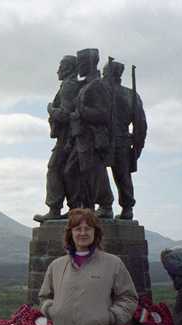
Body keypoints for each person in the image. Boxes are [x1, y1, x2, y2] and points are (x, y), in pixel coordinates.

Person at [34, 55, 82, 222]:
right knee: (68, 172)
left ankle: (55, 209)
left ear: (68, 68)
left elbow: (66, 114)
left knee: (54, 168)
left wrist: (50, 109)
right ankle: (75, 208)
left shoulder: (68, 86)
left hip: (67, 138)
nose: (57, 71)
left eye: (61, 67)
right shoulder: (72, 85)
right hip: (71, 138)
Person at [68, 48, 114, 217]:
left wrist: (82, 111)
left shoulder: (98, 85)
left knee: (95, 172)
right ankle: (82, 207)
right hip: (80, 137)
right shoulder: (85, 85)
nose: (78, 67)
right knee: (72, 171)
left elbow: (104, 114)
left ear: (89, 63)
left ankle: (105, 205)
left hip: (93, 137)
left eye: (81, 63)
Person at [100, 60, 147, 220]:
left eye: (104, 73)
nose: (102, 76)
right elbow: (141, 125)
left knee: (103, 173)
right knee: (122, 176)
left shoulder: (103, 92)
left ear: (109, 75)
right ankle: (126, 208)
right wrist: (137, 144)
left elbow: (140, 123)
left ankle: (108, 206)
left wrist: (137, 145)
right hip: (123, 140)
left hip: (107, 140)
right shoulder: (131, 94)